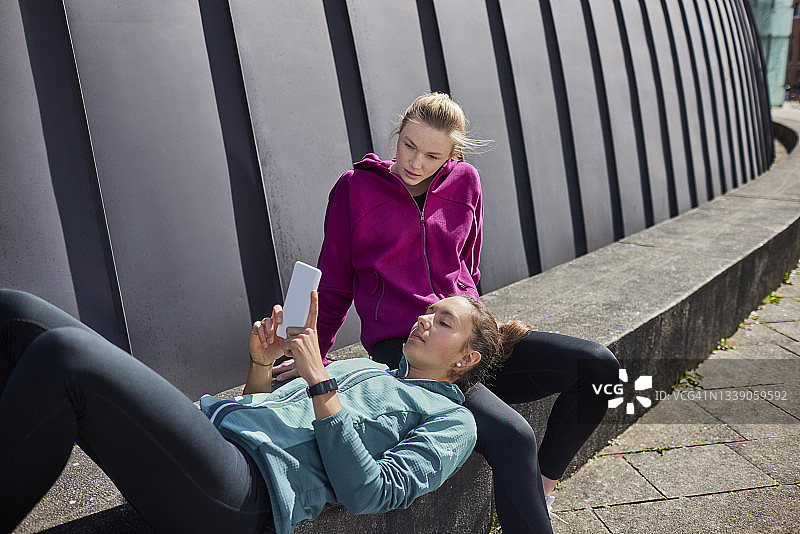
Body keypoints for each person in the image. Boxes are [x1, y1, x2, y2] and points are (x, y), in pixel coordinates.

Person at [272, 92, 620, 533]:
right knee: (514, 437)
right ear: (398, 134)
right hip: (410, 345)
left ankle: (543, 489)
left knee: (599, 367)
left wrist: (481, 329)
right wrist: (313, 357)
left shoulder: (466, 182)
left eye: (433, 155)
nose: (416, 162)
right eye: (409, 146)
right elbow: (337, 281)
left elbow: (468, 268)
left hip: (467, 334)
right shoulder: (354, 189)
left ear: (452, 155)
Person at [0, 288, 518, 534]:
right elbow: (262, 413)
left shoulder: (454, 421)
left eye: (443, 322)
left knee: (66, 356)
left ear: (466, 359)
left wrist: (320, 381)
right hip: (216, 443)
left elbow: (370, 494)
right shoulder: (372, 369)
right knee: (18, 313)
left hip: (247, 495)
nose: (424, 320)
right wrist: (262, 365)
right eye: (429, 311)